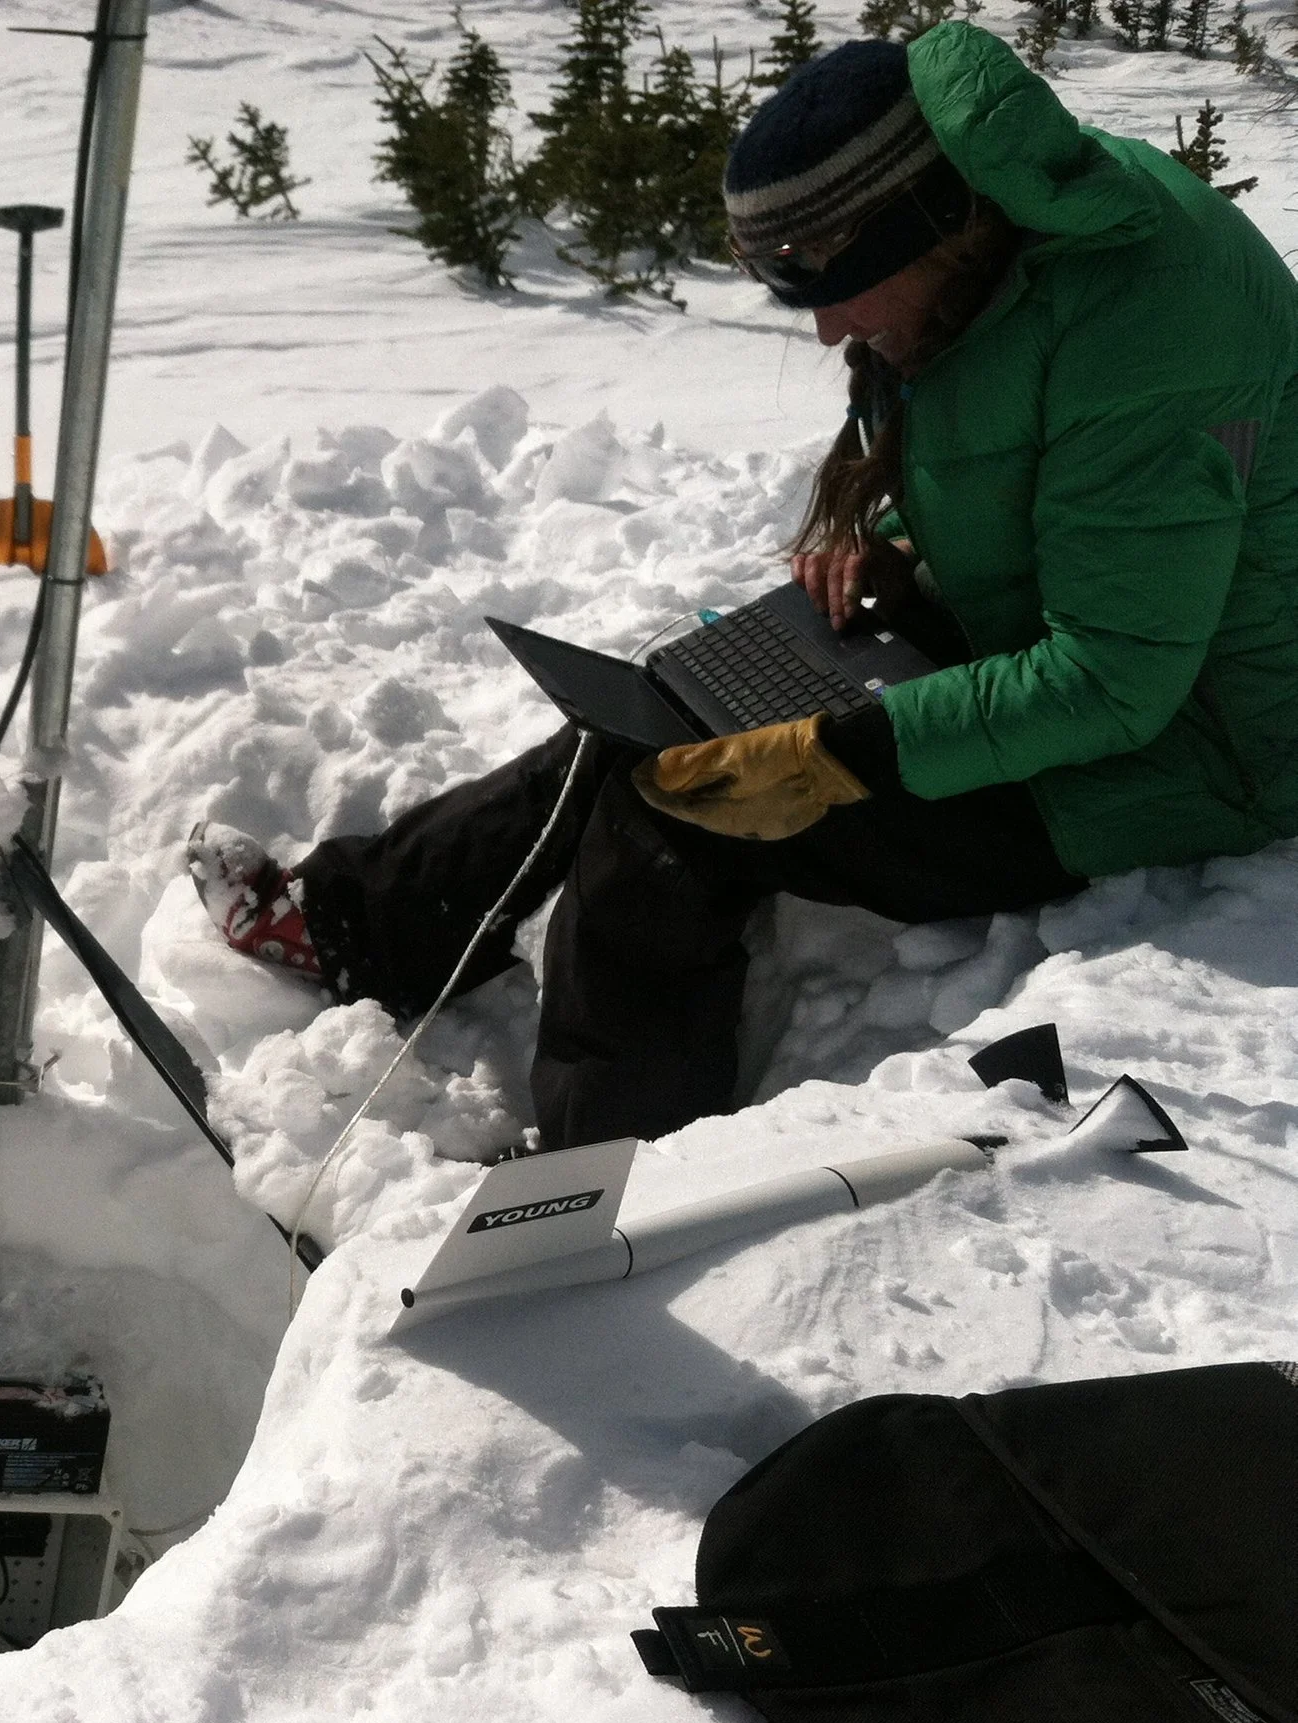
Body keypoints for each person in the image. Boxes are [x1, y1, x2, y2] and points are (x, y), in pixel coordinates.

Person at [189, 23, 1298, 1151]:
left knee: (671, 814)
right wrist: (896, 547)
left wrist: (842, 753)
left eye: (845, 289)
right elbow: (1029, 464)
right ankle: (363, 924)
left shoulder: (1149, 323)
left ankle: (604, 1176)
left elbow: (1113, 680)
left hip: (1190, 754)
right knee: (667, 710)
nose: (826, 330)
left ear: (926, 225)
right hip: (1062, 643)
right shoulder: (1006, 230)